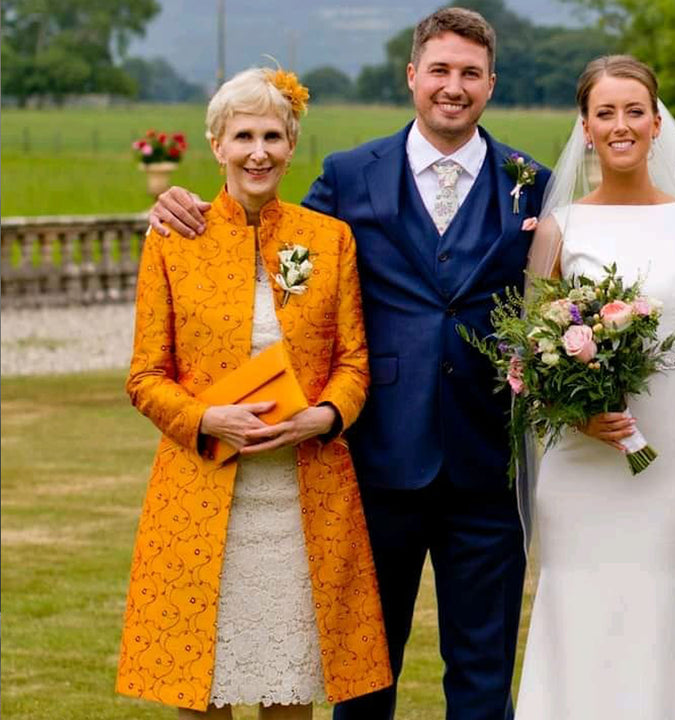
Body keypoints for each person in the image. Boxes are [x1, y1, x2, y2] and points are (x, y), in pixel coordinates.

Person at [146, 8, 550, 719]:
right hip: (374, 463)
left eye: (469, 73)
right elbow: (271, 247)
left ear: (490, 83)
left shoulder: (532, 183)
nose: (452, 86)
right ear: (412, 77)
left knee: (485, 679)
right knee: (361, 678)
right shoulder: (348, 174)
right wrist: (181, 207)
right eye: (440, 70)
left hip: (486, 462)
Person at [117, 67, 392, 719]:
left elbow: (354, 363)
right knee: (202, 692)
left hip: (303, 503)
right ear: (217, 145)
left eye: (273, 135)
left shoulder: (328, 240)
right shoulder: (173, 243)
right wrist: (207, 416)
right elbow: (145, 376)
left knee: (288, 694)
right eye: (244, 135)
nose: (259, 151)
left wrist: (323, 417)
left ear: (292, 144)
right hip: (201, 497)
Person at [514, 55, 675, 720]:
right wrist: (578, 413)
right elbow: (528, 361)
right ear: (585, 127)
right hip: (582, 464)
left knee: (672, 598)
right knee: (580, 603)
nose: (620, 125)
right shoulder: (560, 230)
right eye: (605, 113)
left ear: (655, 120)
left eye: (633, 111)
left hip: (670, 455)